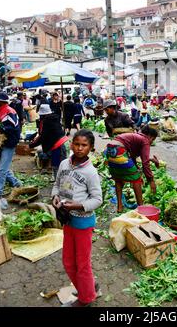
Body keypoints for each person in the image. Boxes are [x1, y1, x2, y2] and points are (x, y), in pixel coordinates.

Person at [51, 130, 102, 307]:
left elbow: (97, 199)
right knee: (68, 261)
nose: (79, 148)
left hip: (83, 223)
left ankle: (85, 299)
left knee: (82, 264)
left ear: (91, 148)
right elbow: (57, 185)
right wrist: (55, 197)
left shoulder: (90, 172)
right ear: (71, 144)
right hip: (67, 219)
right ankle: (89, 286)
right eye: (76, 144)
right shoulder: (65, 163)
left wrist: (78, 205)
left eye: (84, 145)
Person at [104, 125, 158, 212]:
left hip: (109, 151)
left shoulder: (135, 137)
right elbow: (145, 163)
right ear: (150, 136)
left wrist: (136, 166)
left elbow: (132, 157)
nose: (151, 142)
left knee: (118, 178)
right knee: (136, 178)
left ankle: (120, 207)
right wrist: (151, 180)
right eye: (152, 140)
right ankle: (141, 208)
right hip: (119, 151)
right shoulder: (145, 140)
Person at [0, 92, 21, 210]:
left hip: (10, 142)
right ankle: (16, 183)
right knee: (3, 167)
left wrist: (1, 129)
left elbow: (14, 126)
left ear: (2, 101)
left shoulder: (9, 111)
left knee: (1, 169)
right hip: (3, 142)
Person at [29, 104, 68, 179]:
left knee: (58, 167)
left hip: (59, 146)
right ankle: (58, 182)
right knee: (58, 166)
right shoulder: (53, 119)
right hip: (62, 143)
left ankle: (60, 185)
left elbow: (43, 137)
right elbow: (43, 134)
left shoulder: (47, 122)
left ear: (44, 115)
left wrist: (31, 145)